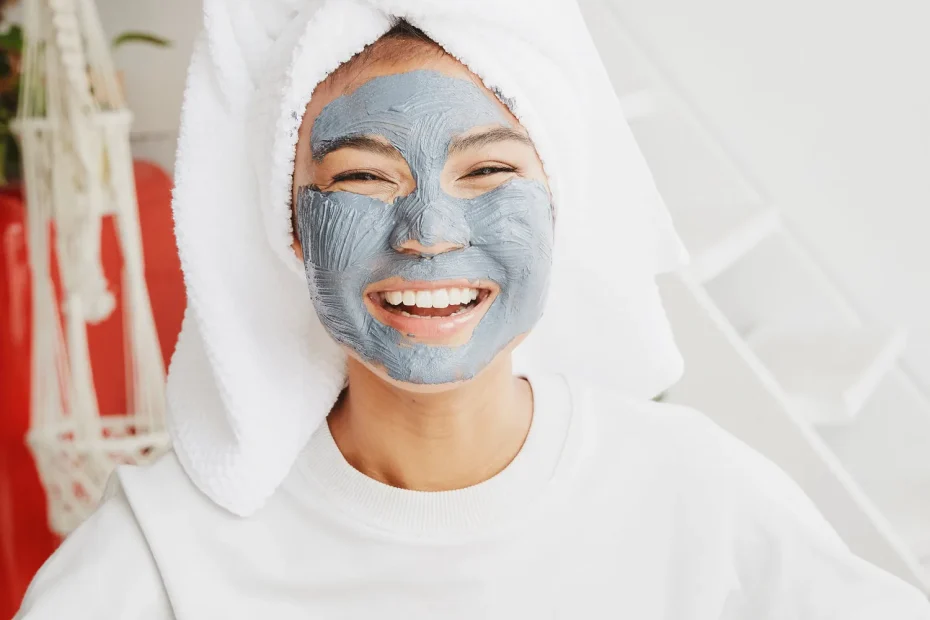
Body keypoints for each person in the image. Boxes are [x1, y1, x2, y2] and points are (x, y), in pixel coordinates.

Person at [16, 2, 930, 619]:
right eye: (365, 178)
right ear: (288, 223)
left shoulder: (698, 493)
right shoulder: (168, 550)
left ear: (558, 208)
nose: (427, 232)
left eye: (488, 171)